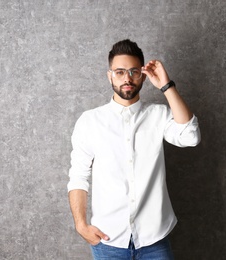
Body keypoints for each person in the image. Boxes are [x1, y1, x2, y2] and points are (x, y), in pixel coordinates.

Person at [68, 39, 201, 260]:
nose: (127, 78)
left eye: (133, 72)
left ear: (142, 75)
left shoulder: (159, 115)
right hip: (108, 240)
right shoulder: (90, 121)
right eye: (120, 72)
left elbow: (191, 137)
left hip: (154, 240)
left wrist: (167, 86)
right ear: (109, 75)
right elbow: (78, 176)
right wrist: (81, 225)